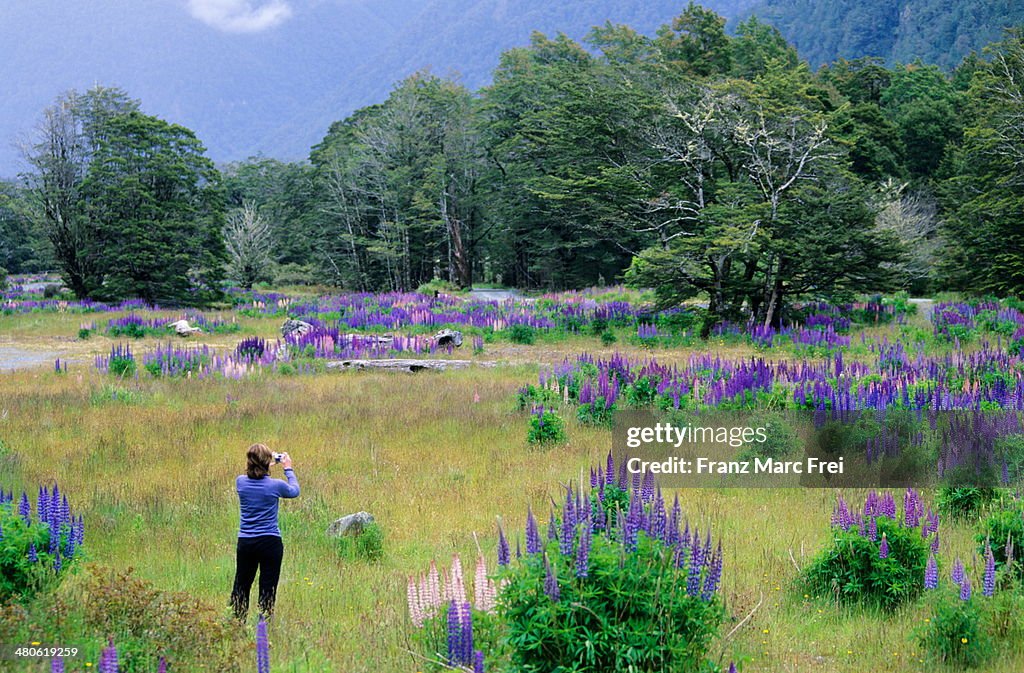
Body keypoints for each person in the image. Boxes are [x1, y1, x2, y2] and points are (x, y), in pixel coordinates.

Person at [230, 443, 300, 620]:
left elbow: (255, 474)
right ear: (267, 462)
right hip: (270, 542)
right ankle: (263, 628)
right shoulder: (276, 486)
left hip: (246, 543)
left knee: (242, 585)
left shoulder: (241, 482)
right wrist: (288, 468)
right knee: (268, 588)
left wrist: (267, 462)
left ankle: (237, 625)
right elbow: (294, 491)